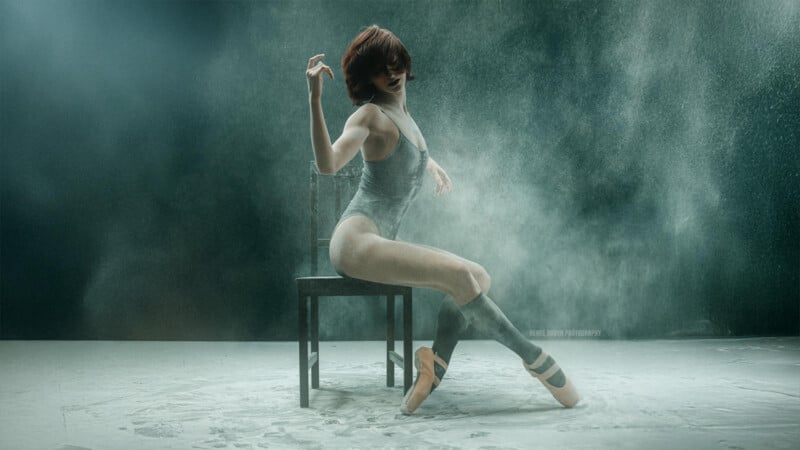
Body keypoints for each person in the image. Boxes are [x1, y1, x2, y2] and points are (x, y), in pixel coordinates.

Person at [305, 25, 579, 414]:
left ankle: (434, 367)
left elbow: (398, 152)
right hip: (355, 241)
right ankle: (534, 357)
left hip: (381, 241)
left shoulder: (404, 115)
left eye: (396, 61)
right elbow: (328, 165)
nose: (392, 71)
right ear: (367, 77)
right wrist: (315, 98)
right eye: (381, 68)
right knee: (459, 278)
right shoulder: (368, 115)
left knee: (478, 277)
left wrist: (429, 164)